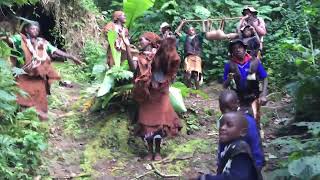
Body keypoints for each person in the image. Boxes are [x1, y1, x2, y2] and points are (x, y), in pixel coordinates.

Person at [122, 32, 182, 161]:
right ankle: (150, 152)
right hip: (147, 94)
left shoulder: (160, 54)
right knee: (146, 122)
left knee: (160, 122)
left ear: (149, 41)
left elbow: (170, 60)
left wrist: (168, 43)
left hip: (161, 92)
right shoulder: (140, 56)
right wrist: (127, 48)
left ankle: (158, 152)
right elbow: (134, 69)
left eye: (141, 40)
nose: (139, 42)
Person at [6, 20, 82, 120]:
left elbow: (55, 50)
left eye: (37, 29)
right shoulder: (20, 39)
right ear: (26, 29)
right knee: (21, 99)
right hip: (23, 75)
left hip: (38, 77)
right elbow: (10, 41)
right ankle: (20, 120)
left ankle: (38, 122)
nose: (35, 30)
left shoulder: (42, 42)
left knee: (40, 102)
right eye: (32, 28)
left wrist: (71, 56)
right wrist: (6, 36)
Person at [197, 112, 262, 180]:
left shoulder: (241, 152)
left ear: (243, 132)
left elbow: (237, 177)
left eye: (229, 125)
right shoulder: (229, 145)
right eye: (221, 124)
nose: (222, 128)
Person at [223, 39, 268, 126]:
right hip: (238, 99)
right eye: (234, 48)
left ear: (244, 49)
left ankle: (257, 136)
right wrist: (229, 79)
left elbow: (264, 77)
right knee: (239, 124)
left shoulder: (255, 62)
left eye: (240, 47)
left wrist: (264, 94)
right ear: (232, 52)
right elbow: (224, 85)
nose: (238, 50)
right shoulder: (229, 65)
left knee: (255, 120)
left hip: (254, 96)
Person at [218, 90, 265, 170]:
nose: (226, 112)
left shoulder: (248, 122)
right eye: (223, 109)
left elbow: (255, 147)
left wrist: (257, 168)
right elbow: (222, 146)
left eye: (229, 108)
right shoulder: (222, 121)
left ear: (237, 104)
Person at [175, 22, 205, 89]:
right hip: (188, 57)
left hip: (197, 57)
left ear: (195, 31)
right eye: (190, 30)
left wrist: (203, 22)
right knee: (188, 74)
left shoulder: (199, 37)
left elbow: (203, 31)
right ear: (188, 32)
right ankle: (188, 90)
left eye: (192, 30)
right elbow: (177, 31)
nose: (191, 31)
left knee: (196, 74)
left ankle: (198, 91)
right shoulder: (185, 37)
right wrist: (182, 23)